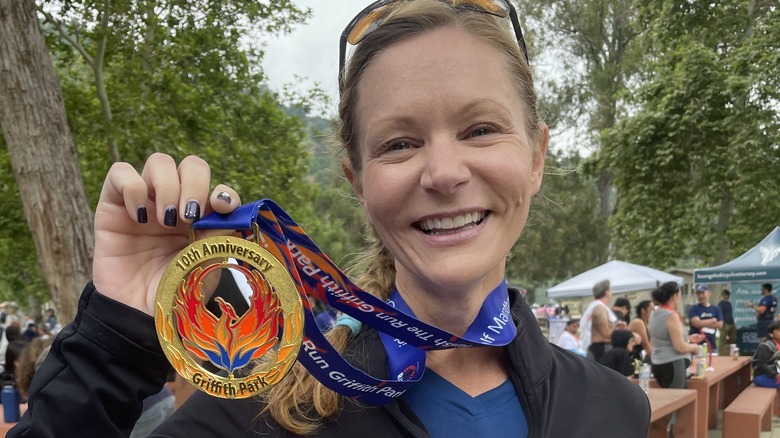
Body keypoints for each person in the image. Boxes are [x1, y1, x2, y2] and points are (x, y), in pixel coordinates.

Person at [9, 1, 650, 437]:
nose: (445, 172)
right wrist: (113, 342)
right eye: (399, 143)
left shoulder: (614, 407)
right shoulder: (265, 412)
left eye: (481, 129)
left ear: (536, 157)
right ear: (357, 180)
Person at [648, 282, 704, 388]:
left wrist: (688, 339)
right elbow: (680, 347)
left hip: (657, 362)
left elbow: (662, 337)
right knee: (677, 398)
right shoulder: (670, 315)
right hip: (672, 363)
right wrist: (695, 347)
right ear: (675, 296)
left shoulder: (653, 313)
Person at [581, 279, 626, 361]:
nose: (612, 293)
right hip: (601, 349)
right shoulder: (600, 309)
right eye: (611, 290)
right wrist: (623, 334)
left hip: (601, 348)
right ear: (606, 292)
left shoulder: (598, 307)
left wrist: (616, 326)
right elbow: (605, 334)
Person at [687, 284, 723, 352]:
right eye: (698, 294)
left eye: (703, 293)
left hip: (712, 346)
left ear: (709, 293)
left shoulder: (716, 309)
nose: (701, 296)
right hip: (696, 347)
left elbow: (720, 324)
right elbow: (696, 323)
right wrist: (713, 320)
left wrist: (702, 322)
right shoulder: (693, 309)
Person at [752, 321, 780, 389]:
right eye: (778, 330)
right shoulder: (765, 346)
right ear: (771, 334)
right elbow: (761, 364)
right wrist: (775, 375)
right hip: (762, 376)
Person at [717, 289, 736, 356]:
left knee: (733, 338)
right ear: (724, 295)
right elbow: (719, 314)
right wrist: (722, 323)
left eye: (729, 295)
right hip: (724, 324)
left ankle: (731, 352)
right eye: (727, 294)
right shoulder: (720, 304)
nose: (728, 296)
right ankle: (721, 353)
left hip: (731, 323)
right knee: (722, 339)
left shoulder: (729, 303)